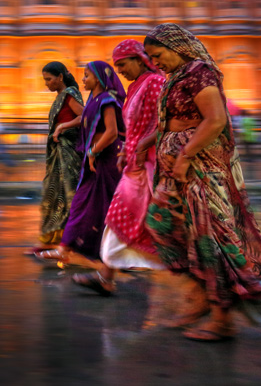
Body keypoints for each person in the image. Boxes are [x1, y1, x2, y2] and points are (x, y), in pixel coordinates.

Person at [138, 23, 261, 341]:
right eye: (150, 58)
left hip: (200, 168)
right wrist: (145, 144)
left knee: (208, 241)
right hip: (175, 169)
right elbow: (170, 121)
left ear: (177, 47)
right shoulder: (175, 77)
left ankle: (222, 317)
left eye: (157, 55)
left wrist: (186, 155)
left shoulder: (200, 72)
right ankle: (201, 297)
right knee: (161, 226)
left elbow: (215, 119)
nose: (155, 62)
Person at [73, 39, 166, 295]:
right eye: (116, 66)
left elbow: (167, 121)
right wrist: (126, 150)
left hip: (152, 166)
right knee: (119, 218)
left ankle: (196, 282)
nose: (120, 71)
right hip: (134, 165)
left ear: (139, 59)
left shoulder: (156, 83)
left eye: (123, 64)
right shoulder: (136, 86)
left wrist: (142, 144)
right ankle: (106, 276)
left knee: (160, 225)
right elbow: (132, 129)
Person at [37, 61, 124, 266]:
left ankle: (114, 253)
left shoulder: (105, 100)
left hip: (104, 159)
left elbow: (111, 132)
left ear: (99, 78)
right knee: (81, 203)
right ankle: (67, 247)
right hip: (91, 158)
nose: (82, 79)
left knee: (106, 204)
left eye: (87, 75)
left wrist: (93, 151)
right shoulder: (95, 99)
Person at [35, 61, 84, 251]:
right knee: (54, 195)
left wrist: (62, 126)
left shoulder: (69, 95)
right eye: (45, 80)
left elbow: (84, 117)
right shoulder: (61, 97)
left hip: (68, 154)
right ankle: (51, 238)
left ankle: (69, 242)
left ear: (60, 77)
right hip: (59, 153)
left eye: (49, 79)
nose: (46, 83)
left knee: (67, 195)